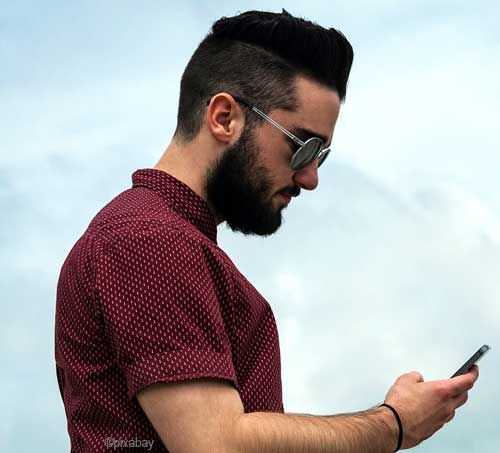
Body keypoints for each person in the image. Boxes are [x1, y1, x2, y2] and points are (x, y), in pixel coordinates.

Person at [54, 9, 479, 452]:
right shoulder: (149, 240)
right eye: (303, 147)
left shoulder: (158, 236)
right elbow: (217, 445)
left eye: (321, 155)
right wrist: (393, 424)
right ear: (223, 117)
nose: (311, 177)